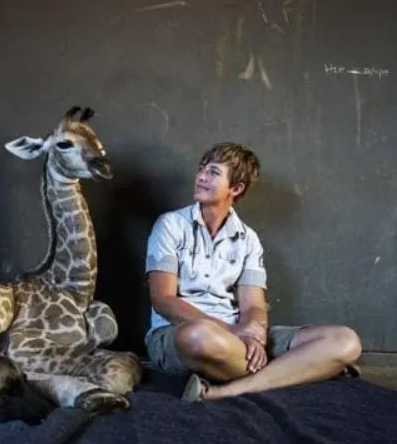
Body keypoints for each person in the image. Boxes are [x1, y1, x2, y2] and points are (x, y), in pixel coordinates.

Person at [144, 142, 362, 401]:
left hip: (239, 338)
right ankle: (304, 369)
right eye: (202, 169)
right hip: (180, 336)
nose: (201, 176)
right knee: (199, 335)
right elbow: (163, 300)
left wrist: (255, 336)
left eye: (213, 173)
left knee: (346, 340)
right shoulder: (170, 226)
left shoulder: (248, 239)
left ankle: (225, 390)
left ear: (236, 189)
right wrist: (233, 332)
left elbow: (254, 307)